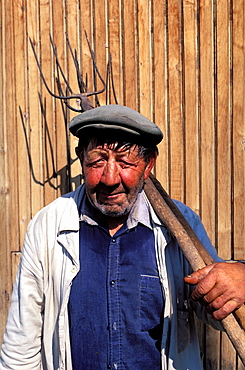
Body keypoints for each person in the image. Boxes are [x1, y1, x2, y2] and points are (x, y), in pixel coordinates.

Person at [0, 104, 245, 370]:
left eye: (126, 163)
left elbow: (215, 312)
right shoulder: (47, 226)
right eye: (97, 162)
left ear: (148, 164)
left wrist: (238, 279)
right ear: (81, 157)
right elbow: (20, 346)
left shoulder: (180, 225)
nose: (110, 178)